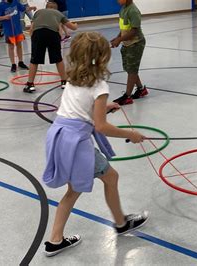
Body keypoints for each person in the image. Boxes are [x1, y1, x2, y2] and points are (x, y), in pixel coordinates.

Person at [42, 32, 149, 257]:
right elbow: (101, 127)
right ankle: (120, 224)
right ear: (103, 57)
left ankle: (54, 241)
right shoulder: (99, 85)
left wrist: (104, 105)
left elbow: (80, 107)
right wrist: (132, 134)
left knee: (73, 191)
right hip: (76, 143)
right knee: (110, 177)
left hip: (59, 135)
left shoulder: (73, 77)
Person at [23, 1, 78, 93]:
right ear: (56, 9)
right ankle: (64, 82)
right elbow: (72, 27)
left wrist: (33, 38)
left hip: (38, 34)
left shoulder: (38, 12)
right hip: (53, 34)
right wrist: (76, 25)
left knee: (34, 60)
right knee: (58, 59)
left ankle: (30, 84)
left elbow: (31, 28)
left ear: (46, 7)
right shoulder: (58, 13)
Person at [110, 0, 148, 105]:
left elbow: (134, 31)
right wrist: (118, 38)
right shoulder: (123, 9)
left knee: (132, 70)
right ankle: (141, 89)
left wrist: (120, 39)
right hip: (127, 43)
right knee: (129, 68)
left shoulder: (133, 11)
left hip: (136, 44)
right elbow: (124, 28)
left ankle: (127, 96)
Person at [0, 0, 36, 72]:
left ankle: (20, 62)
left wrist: (31, 8)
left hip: (18, 29)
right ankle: (13, 64)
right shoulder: (0, 5)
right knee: (11, 47)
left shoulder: (16, 2)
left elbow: (23, 8)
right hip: (9, 30)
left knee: (19, 45)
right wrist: (5, 17)